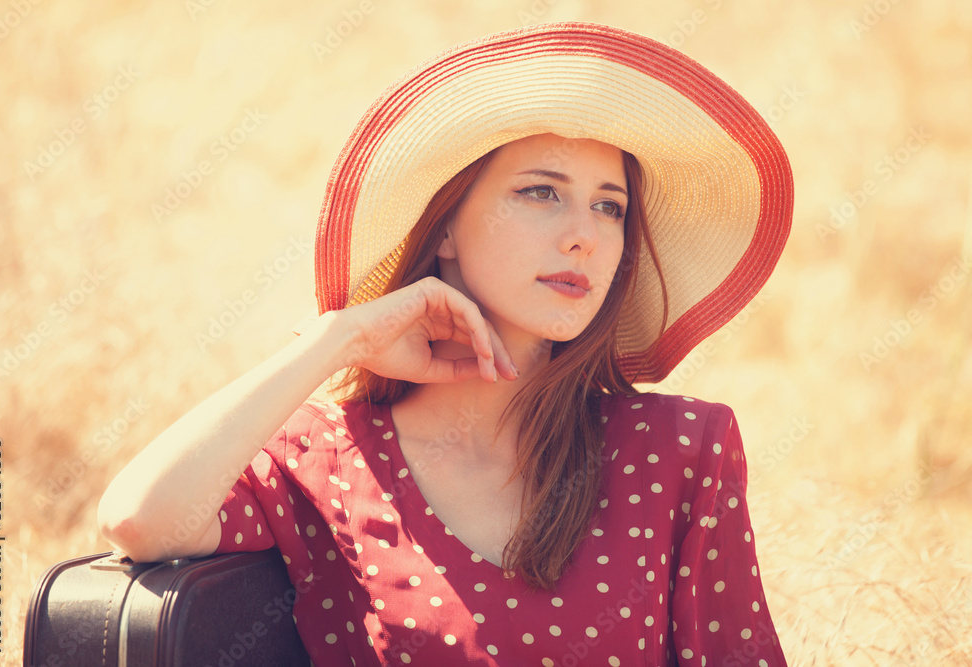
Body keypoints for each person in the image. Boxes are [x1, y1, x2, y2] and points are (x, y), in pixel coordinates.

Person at [99, 22, 792, 666]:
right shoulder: (324, 462)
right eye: (541, 193)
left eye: (609, 205)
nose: (584, 232)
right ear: (447, 227)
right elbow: (139, 517)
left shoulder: (678, 447)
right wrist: (339, 337)